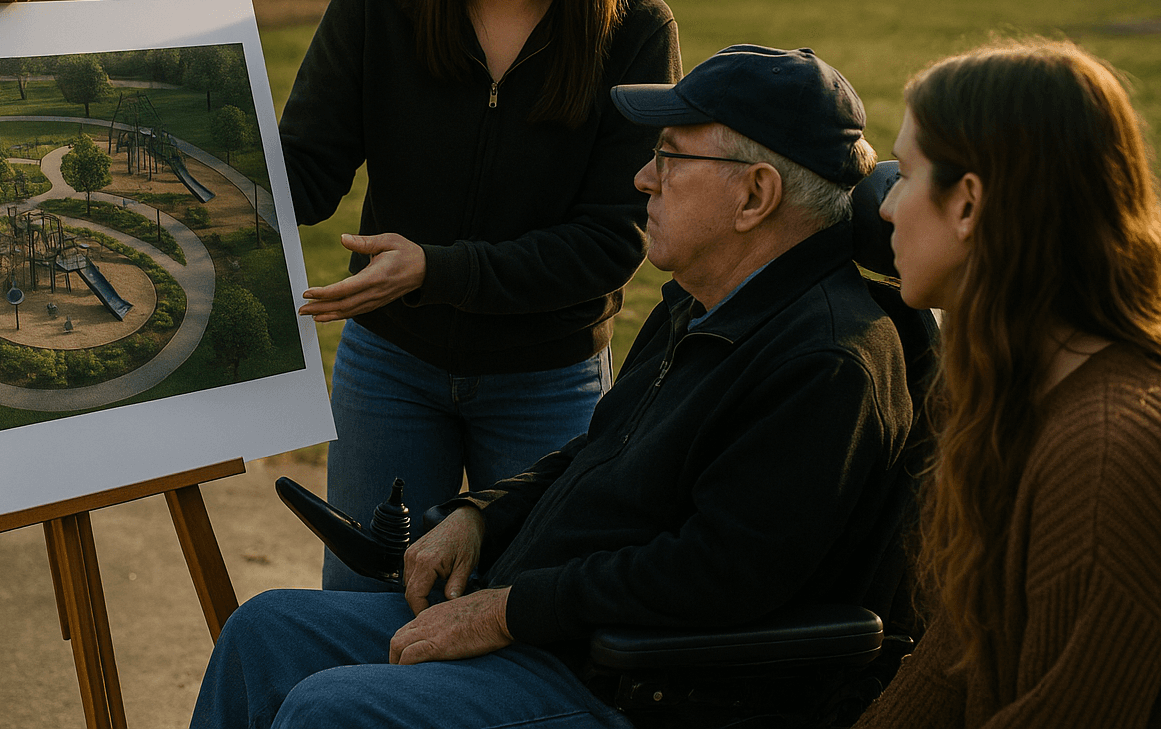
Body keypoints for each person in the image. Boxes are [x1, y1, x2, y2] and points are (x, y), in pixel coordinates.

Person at [191, 45, 913, 729]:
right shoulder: (709, 300)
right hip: (559, 631)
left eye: (669, 158)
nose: (642, 179)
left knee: (331, 711)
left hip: (632, 687)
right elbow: (598, 450)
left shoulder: (825, 361)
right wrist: (480, 513)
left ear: (755, 194)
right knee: (265, 633)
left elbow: (715, 576)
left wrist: (507, 612)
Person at [278, 0, 681, 590]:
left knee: (517, 622)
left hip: (550, 377)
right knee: (364, 611)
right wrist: (194, 142)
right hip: (389, 365)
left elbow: (612, 240)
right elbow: (306, 180)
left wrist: (437, 268)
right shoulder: (376, 4)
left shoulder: (634, 32)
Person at [855, 40, 1161, 728]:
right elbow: (953, 664)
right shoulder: (1015, 399)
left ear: (968, 205)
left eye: (903, 174)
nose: (885, 208)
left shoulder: (1107, 451)